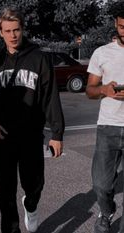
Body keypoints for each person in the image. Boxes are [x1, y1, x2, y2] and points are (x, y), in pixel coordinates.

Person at [0, 8, 64, 233]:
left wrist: (57, 134)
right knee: (5, 193)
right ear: (0, 33)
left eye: (17, 30)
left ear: (22, 29)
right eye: (8, 31)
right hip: (2, 138)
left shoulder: (39, 59)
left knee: (34, 186)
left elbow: (51, 98)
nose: (13, 35)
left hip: (31, 136)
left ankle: (31, 206)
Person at [86, 8, 124, 233]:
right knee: (101, 184)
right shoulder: (102, 53)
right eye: (121, 27)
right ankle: (107, 210)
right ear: (116, 25)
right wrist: (105, 90)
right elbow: (90, 90)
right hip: (108, 125)